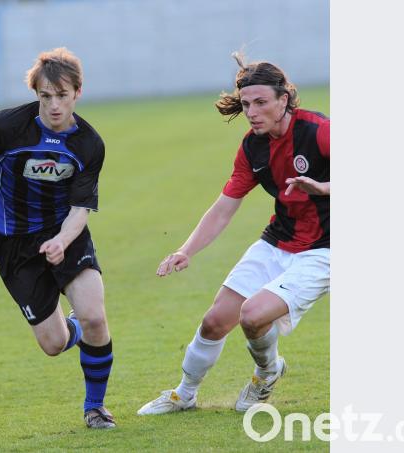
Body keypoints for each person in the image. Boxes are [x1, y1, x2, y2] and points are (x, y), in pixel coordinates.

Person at [137, 52, 330, 415]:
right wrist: (186, 250)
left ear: (283, 100)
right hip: (278, 240)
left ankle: (266, 373)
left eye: (261, 103)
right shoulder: (252, 146)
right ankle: (184, 394)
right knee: (214, 322)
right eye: (246, 104)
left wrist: (325, 188)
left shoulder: (318, 131)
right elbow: (224, 207)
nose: (252, 111)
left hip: (326, 249)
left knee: (254, 316)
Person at [0, 47, 116, 429]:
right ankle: (71, 329)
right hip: (15, 245)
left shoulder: (89, 145)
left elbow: (81, 209)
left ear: (78, 92)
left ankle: (95, 408)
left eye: (62, 95)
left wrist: (62, 240)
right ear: (36, 94)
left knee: (95, 316)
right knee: (54, 344)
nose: (54, 105)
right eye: (46, 96)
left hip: (65, 233)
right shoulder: (8, 128)